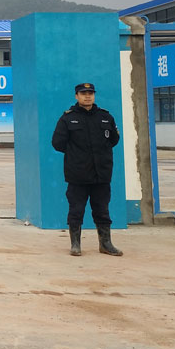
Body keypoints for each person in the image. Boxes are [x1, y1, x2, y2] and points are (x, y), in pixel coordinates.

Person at [51, 82, 123, 257]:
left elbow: (114, 140)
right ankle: (75, 244)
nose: (87, 96)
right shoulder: (67, 119)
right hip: (78, 175)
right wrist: (76, 156)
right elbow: (57, 143)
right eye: (83, 93)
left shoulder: (105, 117)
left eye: (90, 93)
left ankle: (105, 244)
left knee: (102, 210)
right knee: (76, 210)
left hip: (101, 174)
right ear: (77, 96)